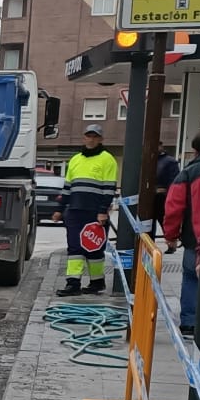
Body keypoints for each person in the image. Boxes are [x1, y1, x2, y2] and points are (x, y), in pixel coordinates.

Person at [57, 122, 119, 295]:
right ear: (84, 137)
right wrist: (59, 208)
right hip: (75, 210)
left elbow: (109, 188)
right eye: (88, 136)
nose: (91, 139)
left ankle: (97, 282)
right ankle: (73, 283)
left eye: (95, 136)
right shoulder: (75, 160)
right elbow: (67, 187)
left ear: (100, 139)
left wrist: (102, 210)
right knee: (75, 248)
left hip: (94, 211)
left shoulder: (107, 159)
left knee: (94, 248)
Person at [160, 133, 200, 335]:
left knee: (191, 278)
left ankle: (190, 321)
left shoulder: (190, 172)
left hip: (193, 238)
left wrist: (170, 235)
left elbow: (173, 207)